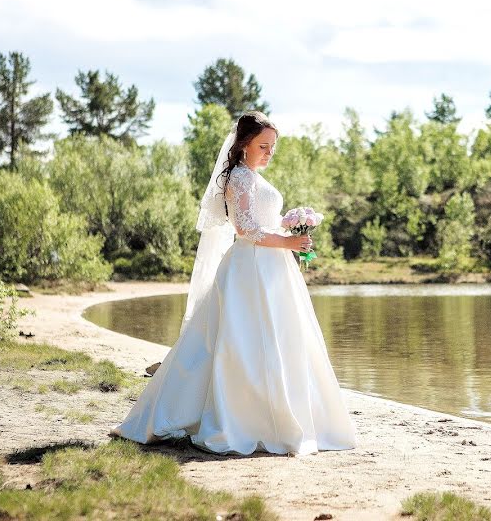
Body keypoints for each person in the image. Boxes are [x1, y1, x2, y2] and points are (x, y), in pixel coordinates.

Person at [110, 111, 357, 456]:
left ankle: (280, 415)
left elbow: (261, 222)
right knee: (239, 342)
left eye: (273, 146)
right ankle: (238, 419)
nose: (270, 152)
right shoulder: (239, 178)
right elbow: (246, 230)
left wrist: (289, 226)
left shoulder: (251, 176)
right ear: (244, 145)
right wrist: (287, 241)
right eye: (264, 145)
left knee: (279, 340)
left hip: (272, 270)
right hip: (248, 270)